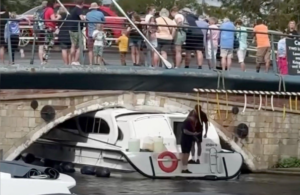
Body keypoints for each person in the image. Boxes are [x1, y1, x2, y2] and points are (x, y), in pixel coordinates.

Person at [69, 0, 85, 65]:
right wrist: (84, 19)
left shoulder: (73, 9)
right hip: (77, 30)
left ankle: (71, 61)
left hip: (72, 29)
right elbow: (82, 18)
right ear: (82, 3)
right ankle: (76, 61)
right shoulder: (79, 9)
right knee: (80, 46)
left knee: (73, 45)